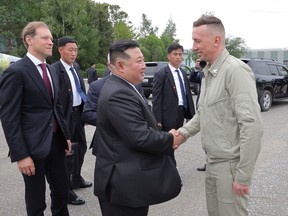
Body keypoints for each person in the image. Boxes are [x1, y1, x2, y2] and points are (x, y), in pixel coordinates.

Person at [176, 14, 263, 216]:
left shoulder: (235, 71)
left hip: (229, 167)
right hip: (213, 163)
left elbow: (252, 126)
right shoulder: (210, 72)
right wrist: (183, 133)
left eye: (197, 41)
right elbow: (203, 112)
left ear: (216, 40)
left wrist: (243, 175)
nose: (193, 46)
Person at [93, 39, 182, 216]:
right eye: (139, 61)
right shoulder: (118, 93)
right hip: (122, 187)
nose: (144, 66)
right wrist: (170, 138)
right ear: (120, 65)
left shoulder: (125, 86)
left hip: (129, 183)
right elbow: (139, 136)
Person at [0, 21, 72, 216]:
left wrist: (65, 135)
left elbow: (55, 106)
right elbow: (9, 117)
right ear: (29, 40)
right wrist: (21, 155)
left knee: (61, 192)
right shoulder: (16, 72)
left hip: (56, 143)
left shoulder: (51, 70)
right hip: (32, 148)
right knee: (36, 200)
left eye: (51, 38)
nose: (50, 42)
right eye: (45, 38)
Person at [52, 37, 92, 205]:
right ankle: (66, 189)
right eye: (70, 50)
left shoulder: (75, 67)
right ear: (60, 50)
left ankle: (76, 178)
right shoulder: (54, 69)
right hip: (65, 116)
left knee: (81, 147)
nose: (74, 53)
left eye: (75, 50)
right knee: (66, 153)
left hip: (78, 114)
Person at [152, 43, 195, 164]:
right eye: (175, 54)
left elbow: (187, 94)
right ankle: (168, 168)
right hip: (167, 115)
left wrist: (191, 114)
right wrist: (157, 119)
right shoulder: (161, 74)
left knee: (175, 142)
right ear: (168, 56)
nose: (178, 57)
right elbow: (157, 98)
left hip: (180, 113)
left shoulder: (182, 73)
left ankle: (168, 167)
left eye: (180, 54)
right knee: (166, 143)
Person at [190, 59, 206, 171]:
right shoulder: (202, 74)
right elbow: (192, 79)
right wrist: (196, 69)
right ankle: (208, 162)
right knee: (205, 138)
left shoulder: (217, 73)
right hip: (202, 109)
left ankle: (213, 163)